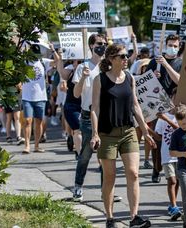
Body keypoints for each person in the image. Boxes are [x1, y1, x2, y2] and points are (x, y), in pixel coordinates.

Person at [90, 44, 154, 228]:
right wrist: (95, 134)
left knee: (133, 173)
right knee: (110, 176)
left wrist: (145, 130)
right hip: (107, 133)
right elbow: (95, 108)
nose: (126, 58)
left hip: (128, 131)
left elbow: (135, 106)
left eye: (127, 56)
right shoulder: (100, 80)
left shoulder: (130, 78)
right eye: (122, 56)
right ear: (111, 59)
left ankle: (134, 217)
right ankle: (110, 218)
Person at [71, 33, 107, 202]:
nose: (103, 46)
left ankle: (106, 192)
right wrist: (83, 77)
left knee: (106, 156)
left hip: (106, 116)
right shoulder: (82, 67)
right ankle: (78, 186)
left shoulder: (107, 66)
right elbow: (76, 94)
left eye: (105, 43)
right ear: (91, 45)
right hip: (87, 116)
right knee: (85, 155)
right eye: (99, 43)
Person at [146, 34, 182, 182]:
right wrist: (152, 75)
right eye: (170, 45)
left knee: (174, 136)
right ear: (165, 45)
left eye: (175, 46)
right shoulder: (154, 62)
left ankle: (174, 168)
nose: (172, 48)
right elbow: (145, 81)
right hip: (157, 104)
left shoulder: (180, 63)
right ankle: (156, 167)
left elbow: (180, 81)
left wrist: (167, 65)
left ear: (179, 47)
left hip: (174, 105)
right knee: (157, 138)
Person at [21, 42, 54, 154]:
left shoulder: (43, 62)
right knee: (27, 120)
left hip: (40, 96)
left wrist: (53, 50)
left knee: (39, 122)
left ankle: (36, 145)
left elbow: (57, 62)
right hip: (27, 96)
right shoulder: (24, 62)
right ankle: (27, 146)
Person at [155, 111, 182, 221]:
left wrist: (166, 119)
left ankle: (172, 204)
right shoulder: (162, 117)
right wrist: (147, 131)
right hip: (167, 155)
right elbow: (159, 137)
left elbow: (181, 131)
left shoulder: (181, 115)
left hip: (180, 154)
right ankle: (174, 206)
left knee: (178, 180)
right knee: (172, 180)